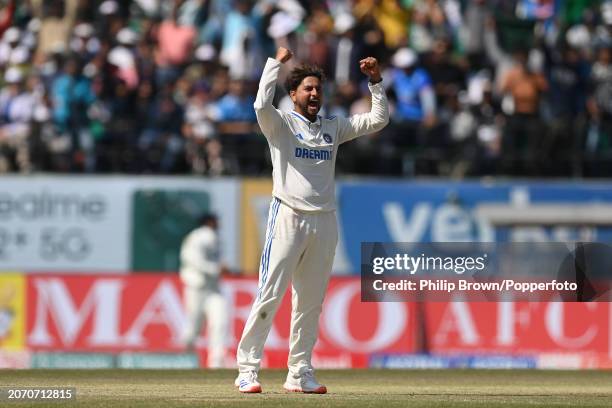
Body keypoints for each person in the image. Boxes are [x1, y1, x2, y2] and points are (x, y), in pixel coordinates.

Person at [235, 47, 389, 393]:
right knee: (271, 294)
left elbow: (379, 120)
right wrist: (275, 62)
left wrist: (375, 81)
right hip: (288, 215)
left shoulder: (334, 127)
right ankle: (247, 368)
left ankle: (299, 372)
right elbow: (261, 105)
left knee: (310, 303)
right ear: (293, 95)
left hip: (325, 221)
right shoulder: (281, 124)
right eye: (307, 88)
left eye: (318, 89)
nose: (314, 93)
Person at [179, 213, 228, 368]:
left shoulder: (217, 238)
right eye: (216, 221)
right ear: (209, 221)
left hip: (213, 289)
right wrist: (216, 269)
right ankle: (184, 358)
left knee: (220, 322)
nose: (219, 224)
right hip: (196, 287)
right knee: (194, 328)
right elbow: (192, 260)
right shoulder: (197, 237)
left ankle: (216, 363)